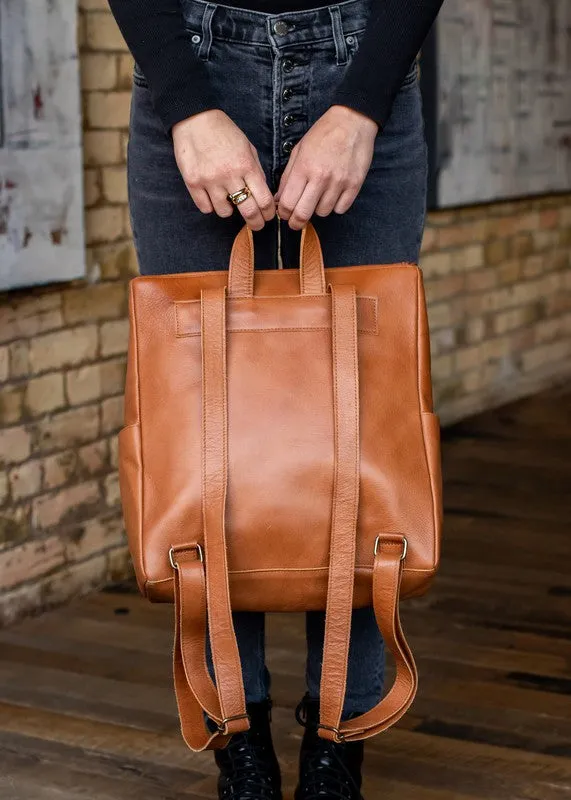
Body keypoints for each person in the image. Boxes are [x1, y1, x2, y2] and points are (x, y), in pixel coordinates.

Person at [108, 0, 444, 797]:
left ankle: (340, 743)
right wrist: (188, 105)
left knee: (364, 426)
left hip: (367, 62)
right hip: (188, 68)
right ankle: (240, 743)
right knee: (205, 427)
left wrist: (361, 103)